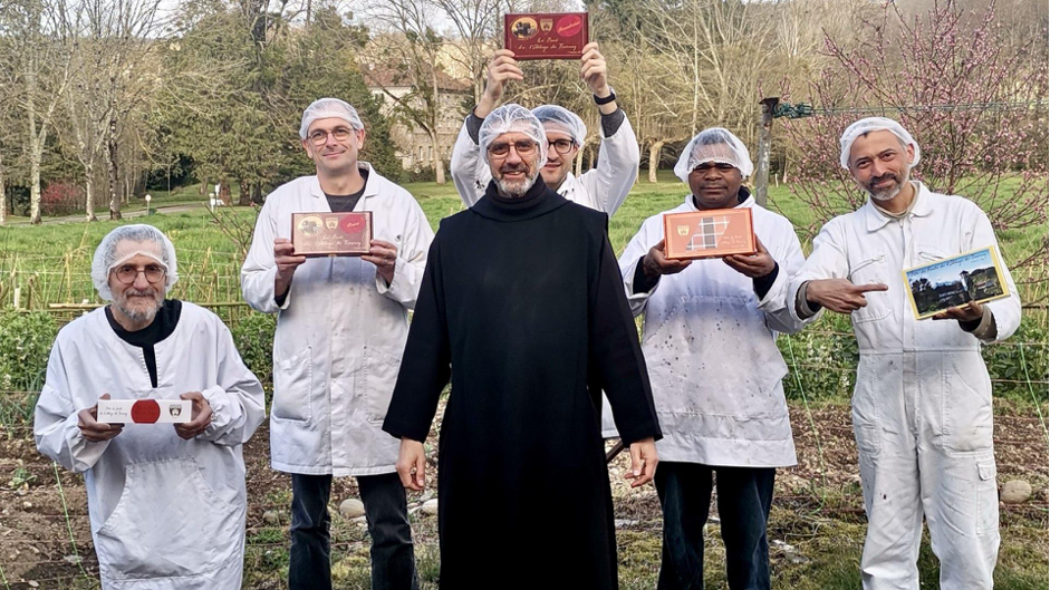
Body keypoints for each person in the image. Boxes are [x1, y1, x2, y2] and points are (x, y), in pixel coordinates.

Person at [382, 104, 661, 589]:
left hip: (564, 430)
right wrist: (411, 433)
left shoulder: (584, 231)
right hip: (478, 436)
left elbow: (615, 339)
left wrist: (640, 429)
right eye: (499, 148)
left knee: (567, 561)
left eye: (524, 145)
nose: (513, 157)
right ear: (486, 157)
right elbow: (429, 341)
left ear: (542, 152)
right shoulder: (455, 237)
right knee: (482, 560)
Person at [788, 117, 1022, 590]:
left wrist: (976, 315)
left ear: (911, 152)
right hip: (882, 391)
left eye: (887, 156)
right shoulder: (843, 232)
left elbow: (1007, 307)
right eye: (863, 163)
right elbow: (801, 289)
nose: (878, 170)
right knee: (888, 533)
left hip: (955, 387)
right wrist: (815, 290)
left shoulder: (960, 216)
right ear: (851, 172)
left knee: (969, 532)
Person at [241, 98, 433, 590]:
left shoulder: (397, 204)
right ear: (307, 146)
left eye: (340, 131)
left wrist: (393, 270)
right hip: (309, 376)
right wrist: (281, 274)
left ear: (360, 137)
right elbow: (253, 285)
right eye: (319, 134)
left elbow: (435, 289)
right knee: (306, 522)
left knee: (389, 522)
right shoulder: (284, 203)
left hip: (377, 376)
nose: (331, 141)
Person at [619, 128, 807, 590]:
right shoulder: (660, 226)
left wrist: (769, 276)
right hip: (676, 396)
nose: (712, 175)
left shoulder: (773, 229)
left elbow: (794, 317)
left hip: (746, 401)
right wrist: (648, 268)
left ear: (742, 170)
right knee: (679, 535)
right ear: (687, 174)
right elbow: (618, 303)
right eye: (701, 167)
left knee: (749, 535)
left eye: (723, 165)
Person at [34, 224, 266, 590]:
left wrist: (214, 412)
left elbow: (250, 405)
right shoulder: (77, 342)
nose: (141, 282)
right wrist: (82, 431)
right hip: (128, 533)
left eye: (152, 269)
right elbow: (49, 432)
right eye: (127, 269)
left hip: (207, 529)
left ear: (167, 275)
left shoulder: (204, 329)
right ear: (106, 277)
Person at [450, 42, 640, 216]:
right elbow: (464, 170)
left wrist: (603, 93)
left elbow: (624, 162)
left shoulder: (592, 194)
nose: (551, 154)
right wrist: (489, 97)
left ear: (576, 148)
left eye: (562, 143)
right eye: (541, 143)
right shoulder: (503, 192)